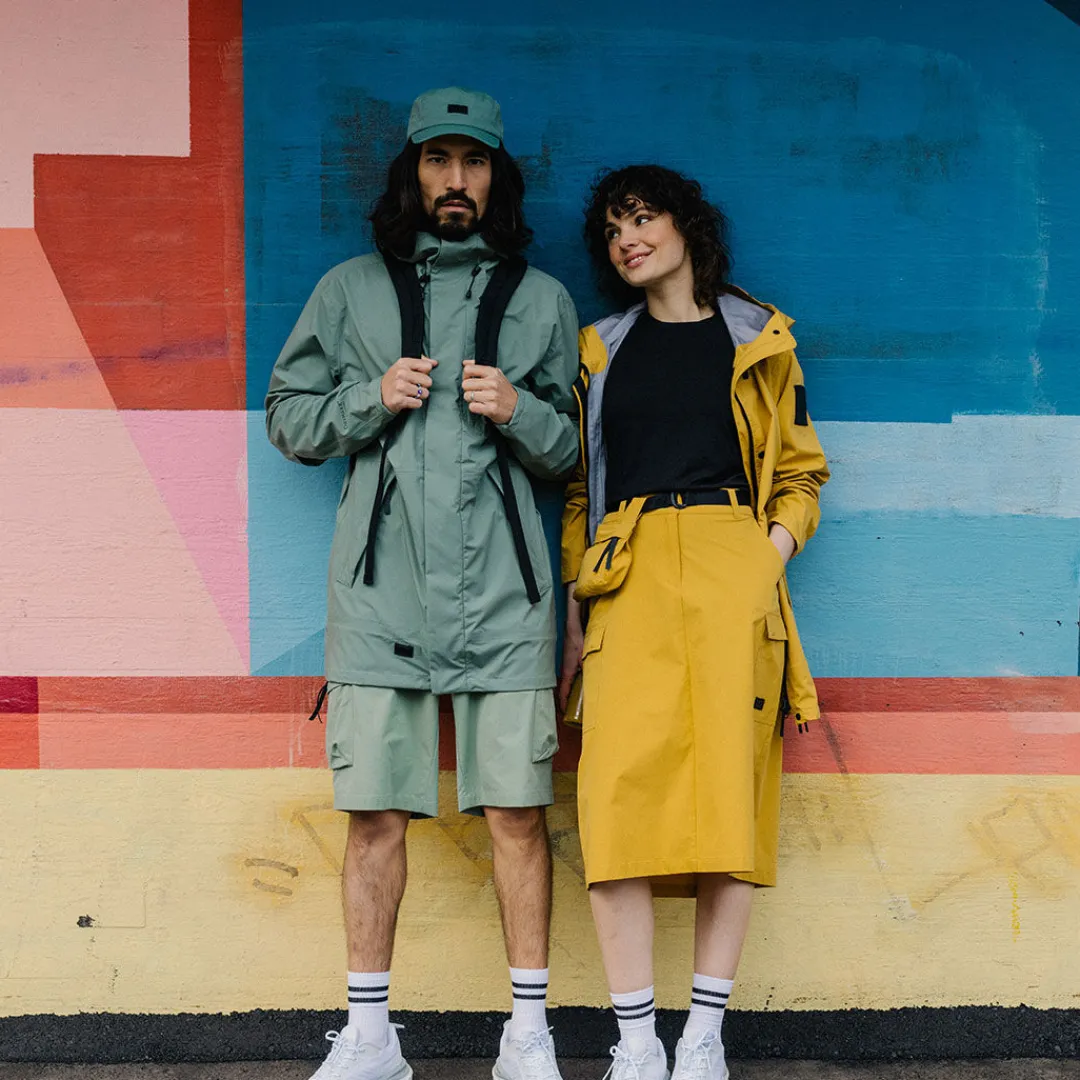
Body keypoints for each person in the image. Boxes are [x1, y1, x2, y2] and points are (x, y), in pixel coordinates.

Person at [266, 87, 579, 1080]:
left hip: (507, 604)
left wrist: (521, 411)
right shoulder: (348, 290)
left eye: (474, 161)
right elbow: (287, 418)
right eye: (439, 160)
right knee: (374, 818)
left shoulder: (543, 300)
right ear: (412, 174)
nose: (456, 180)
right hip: (379, 601)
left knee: (518, 816)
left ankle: (528, 1037)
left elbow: (575, 452)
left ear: (497, 178)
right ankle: (370, 1040)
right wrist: (370, 398)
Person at [558, 165, 829, 1080]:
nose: (625, 240)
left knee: (729, 803)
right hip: (627, 572)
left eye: (641, 218)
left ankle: (703, 1039)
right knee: (615, 806)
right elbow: (578, 488)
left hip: (730, 565)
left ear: (686, 226)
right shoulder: (599, 349)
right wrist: (577, 600)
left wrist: (764, 559)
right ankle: (637, 1043)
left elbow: (801, 474)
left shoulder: (760, 340)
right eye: (611, 229)